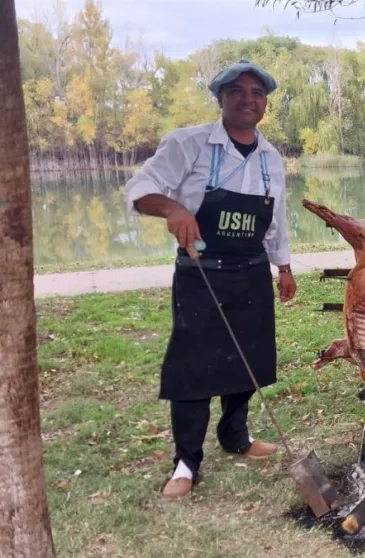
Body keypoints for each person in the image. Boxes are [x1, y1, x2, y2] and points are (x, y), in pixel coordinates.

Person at [123, 59, 296, 500]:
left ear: (265, 104)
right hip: (202, 274)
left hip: (252, 273)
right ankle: (187, 461)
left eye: (257, 93)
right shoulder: (190, 144)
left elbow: (275, 217)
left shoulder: (270, 158)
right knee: (194, 371)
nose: (247, 100)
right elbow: (140, 190)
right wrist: (173, 209)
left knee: (248, 364)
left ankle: (236, 436)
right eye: (237, 91)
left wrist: (284, 266)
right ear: (220, 98)